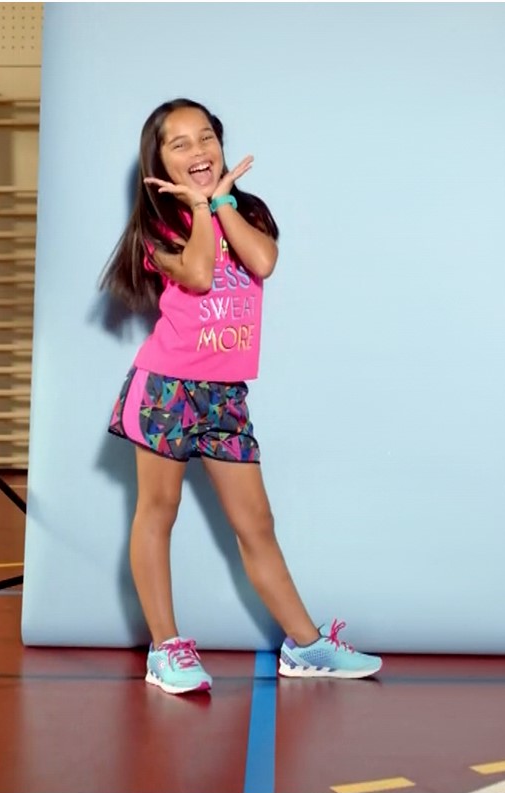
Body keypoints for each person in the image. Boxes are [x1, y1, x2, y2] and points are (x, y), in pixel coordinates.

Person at [99, 98, 382, 695]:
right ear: (159, 161)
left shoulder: (245, 210)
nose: (198, 150)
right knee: (158, 512)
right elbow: (201, 273)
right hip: (166, 388)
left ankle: (305, 645)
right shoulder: (157, 229)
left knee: (257, 522)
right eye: (179, 143)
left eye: (206, 137)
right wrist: (201, 207)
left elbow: (263, 261)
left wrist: (222, 201)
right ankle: (164, 650)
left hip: (225, 395)